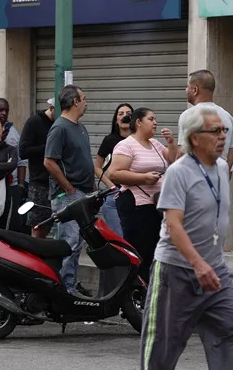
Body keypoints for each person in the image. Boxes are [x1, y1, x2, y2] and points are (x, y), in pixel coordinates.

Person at [140, 103, 233, 370]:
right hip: (177, 270)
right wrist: (198, 264)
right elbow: (174, 225)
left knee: (231, 327)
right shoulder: (179, 172)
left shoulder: (222, 168)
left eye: (224, 130)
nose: (222, 136)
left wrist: (213, 259)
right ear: (195, 138)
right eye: (215, 131)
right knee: (166, 340)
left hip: (215, 269)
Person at [109, 107, 178, 283]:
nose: (155, 122)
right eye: (151, 119)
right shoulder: (126, 145)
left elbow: (174, 160)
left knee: (155, 250)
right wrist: (144, 178)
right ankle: (135, 295)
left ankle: (149, 292)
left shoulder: (155, 143)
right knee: (140, 251)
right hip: (136, 206)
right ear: (139, 122)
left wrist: (171, 142)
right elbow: (114, 173)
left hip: (157, 206)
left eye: (155, 119)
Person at [44, 85, 95, 295]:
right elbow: (49, 162)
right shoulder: (60, 128)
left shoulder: (80, 127)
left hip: (83, 195)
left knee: (77, 244)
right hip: (68, 197)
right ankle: (63, 291)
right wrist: (69, 187)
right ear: (75, 101)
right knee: (69, 243)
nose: (86, 102)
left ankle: (70, 286)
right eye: (84, 98)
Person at [177, 70, 233, 176]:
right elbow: (231, 156)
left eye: (187, 87)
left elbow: (182, 153)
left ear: (195, 90)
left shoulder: (188, 115)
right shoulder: (228, 116)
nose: (186, 90)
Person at [95, 103, 133, 238]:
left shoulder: (138, 140)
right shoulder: (109, 140)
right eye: (120, 114)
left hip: (135, 196)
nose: (124, 116)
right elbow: (97, 167)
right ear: (116, 119)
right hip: (114, 198)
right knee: (120, 238)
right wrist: (111, 186)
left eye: (128, 114)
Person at [20, 98, 55, 237]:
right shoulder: (35, 122)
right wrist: (48, 148)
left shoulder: (61, 124)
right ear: (51, 108)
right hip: (40, 182)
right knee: (39, 226)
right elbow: (23, 151)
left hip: (60, 182)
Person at [0, 98, 27, 188]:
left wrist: (21, 184)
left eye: (6, 110)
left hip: (12, 184)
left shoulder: (13, 133)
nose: (4, 113)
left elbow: (21, 161)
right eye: (0, 110)